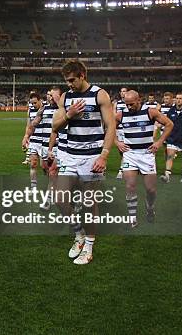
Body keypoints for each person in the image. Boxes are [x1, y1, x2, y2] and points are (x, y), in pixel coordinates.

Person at [52, 60, 116, 265]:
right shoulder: (65, 97)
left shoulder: (99, 94)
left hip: (92, 157)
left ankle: (88, 246)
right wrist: (69, 115)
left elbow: (110, 126)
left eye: (72, 80)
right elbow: (55, 126)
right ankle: (78, 234)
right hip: (70, 156)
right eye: (66, 81)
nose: (69, 84)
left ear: (82, 75)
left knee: (89, 203)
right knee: (60, 199)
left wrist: (104, 155)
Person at [115, 90, 173, 227]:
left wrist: (159, 142)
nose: (129, 107)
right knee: (130, 186)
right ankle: (132, 218)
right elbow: (108, 128)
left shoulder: (150, 112)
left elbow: (169, 124)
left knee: (151, 190)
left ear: (139, 100)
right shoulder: (121, 115)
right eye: (126, 104)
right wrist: (117, 142)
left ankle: (150, 208)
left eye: (132, 104)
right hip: (130, 154)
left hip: (147, 154)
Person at [21, 91, 43, 190]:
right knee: (33, 164)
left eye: (35, 103)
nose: (33, 105)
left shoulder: (46, 109)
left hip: (44, 141)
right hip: (33, 141)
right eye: (32, 103)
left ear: (40, 101)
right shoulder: (30, 111)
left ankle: (52, 187)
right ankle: (33, 187)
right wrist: (26, 137)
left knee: (45, 166)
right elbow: (28, 125)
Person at [113, 87, 128, 179]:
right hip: (118, 129)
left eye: (125, 91)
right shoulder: (116, 103)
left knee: (126, 149)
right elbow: (113, 116)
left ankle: (122, 170)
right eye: (122, 91)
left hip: (127, 129)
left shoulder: (130, 102)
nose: (123, 93)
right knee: (121, 150)